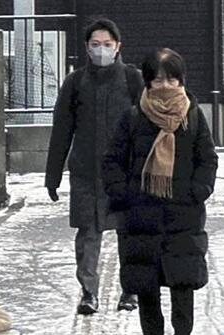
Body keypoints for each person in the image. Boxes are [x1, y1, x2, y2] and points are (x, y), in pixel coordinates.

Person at [103, 48, 219, 335]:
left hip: (184, 211)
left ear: (181, 80)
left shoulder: (193, 116)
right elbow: (112, 161)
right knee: (146, 279)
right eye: (157, 78)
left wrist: (199, 190)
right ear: (147, 81)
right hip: (141, 213)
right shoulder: (133, 117)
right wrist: (124, 195)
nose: (164, 84)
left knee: (183, 279)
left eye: (171, 77)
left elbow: (207, 158)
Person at [45, 18, 144, 316]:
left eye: (107, 44)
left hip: (125, 172)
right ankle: (89, 292)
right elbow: (62, 128)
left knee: (130, 231)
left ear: (118, 47)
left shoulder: (132, 79)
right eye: (95, 44)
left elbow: (147, 126)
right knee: (87, 233)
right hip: (86, 171)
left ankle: (130, 291)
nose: (101, 50)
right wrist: (53, 175)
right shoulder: (75, 82)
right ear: (87, 48)